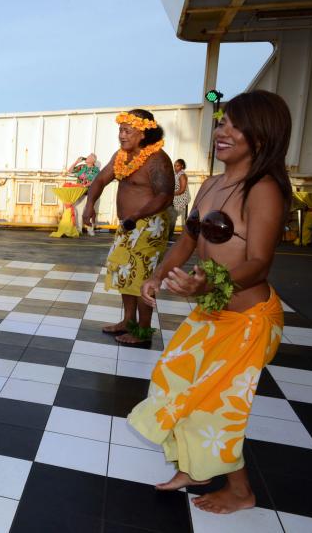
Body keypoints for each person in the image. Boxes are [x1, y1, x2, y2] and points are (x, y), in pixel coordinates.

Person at [130, 90, 291, 514]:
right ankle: (195, 467)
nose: (223, 132)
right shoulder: (212, 183)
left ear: (262, 136)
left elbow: (258, 263)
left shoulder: (264, 189)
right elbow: (189, 238)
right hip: (213, 311)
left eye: (236, 125)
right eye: (222, 122)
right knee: (172, 379)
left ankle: (240, 490)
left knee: (214, 404)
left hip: (250, 320)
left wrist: (203, 288)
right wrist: (158, 274)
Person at [82, 109, 175, 345]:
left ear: (143, 133)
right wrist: (89, 204)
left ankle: (143, 331)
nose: (121, 135)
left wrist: (138, 214)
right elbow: (101, 179)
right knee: (125, 273)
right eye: (120, 130)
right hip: (128, 224)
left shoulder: (157, 158)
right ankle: (128, 321)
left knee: (142, 277)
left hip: (150, 223)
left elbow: (165, 196)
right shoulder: (121, 156)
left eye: (127, 130)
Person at [67, 153, 100, 235]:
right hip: (79, 191)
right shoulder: (81, 167)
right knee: (78, 209)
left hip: (90, 192)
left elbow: (94, 180)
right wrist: (76, 162)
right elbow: (69, 171)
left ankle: (90, 229)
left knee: (89, 211)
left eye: (88, 157)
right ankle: (79, 229)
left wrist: (85, 185)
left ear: (93, 160)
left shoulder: (95, 170)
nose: (86, 158)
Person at [171, 158, 191, 230]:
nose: (175, 167)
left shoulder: (182, 175)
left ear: (182, 166)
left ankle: (172, 230)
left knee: (172, 214)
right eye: (174, 166)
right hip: (175, 195)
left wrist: (171, 194)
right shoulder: (175, 173)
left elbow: (182, 190)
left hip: (181, 197)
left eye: (177, 166)